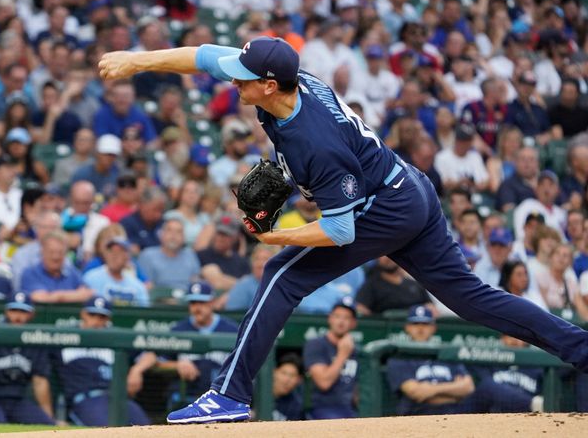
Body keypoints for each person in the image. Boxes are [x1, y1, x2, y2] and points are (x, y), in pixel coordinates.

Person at [97, 35, 588, 424]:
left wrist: (278, 238)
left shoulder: (317, 143)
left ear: (270, 85)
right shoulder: (291, 81)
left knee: (281, 275)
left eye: (245, 79)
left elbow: (339, 230)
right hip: (404, 185)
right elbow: (202, 57)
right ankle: (581, 349)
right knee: (471, 298)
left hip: (386, 206)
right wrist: (136, 62)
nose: (234, 83)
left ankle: (228, 394)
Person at [51, 297, 151, 426]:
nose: (96, 321)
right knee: (106, 431)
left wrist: (136, 370)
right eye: (92, 315)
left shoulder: (115, 337)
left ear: (108, 319)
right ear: (83, 314)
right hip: (86, 399)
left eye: (101, 317)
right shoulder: (64, 336)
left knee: (147, 429)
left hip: (118, 398)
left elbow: (150, 353)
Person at [154, 282, 239, 407]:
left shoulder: (231, 329)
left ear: (212, 303)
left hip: (222, 396)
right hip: (188, 393)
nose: (197, 308)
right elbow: (158, 361)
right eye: (193, 303)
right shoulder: (178, 330)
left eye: (202, 302)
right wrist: (177, 365)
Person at [0, 293, 55, 424]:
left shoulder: (35, 339)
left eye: (23, 311)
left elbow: (40, 381)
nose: (18, 316)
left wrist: (50, 418)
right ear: (6, 311)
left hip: (18, 400)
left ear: (31, 314)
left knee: (47, 427)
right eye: (14, 310)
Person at [386, 306, 476, 415]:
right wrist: (453, 391)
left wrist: (430, 389)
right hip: (419, 415)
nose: (420, 328)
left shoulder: (446, 353)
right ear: (407, 327)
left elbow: (468, 387)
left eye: (425, 324)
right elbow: (416, 392)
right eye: (415, 324)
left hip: (455, 412)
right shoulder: (399, 357)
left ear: (433, 328)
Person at [304, 299, 359, 419]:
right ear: (330, 318)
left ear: (354, 323)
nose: (341, 321)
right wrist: (342, 355)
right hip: (323, 408)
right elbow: (324, 383)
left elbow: (358, 391)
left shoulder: (356, 349)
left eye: (346, 318)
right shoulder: (316, 344)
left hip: (350, 409)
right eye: (337, 316)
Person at [19, 231, 93, 304]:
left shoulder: (72, 272)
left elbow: (88, 294)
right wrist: (72, 296)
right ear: (42, 252)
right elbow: (39, 298)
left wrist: (54, 296)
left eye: (60, 252)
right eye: (51, 252)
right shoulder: (30, 273)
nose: (56, 257)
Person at [82, 237, 149, 306]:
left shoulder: (137, 286)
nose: (113, 256)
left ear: (127, 257)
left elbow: (144, 311)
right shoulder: (91, 278)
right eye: (111, 251)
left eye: (119, 252)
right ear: (105, 254)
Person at [137, 218, 201, 290]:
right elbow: (145, 285)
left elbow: (196, 282)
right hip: (158, 299)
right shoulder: (148, 255)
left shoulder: (190, 255)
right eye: (169, 230)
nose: (173, 235)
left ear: (184, 238)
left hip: (186, 298)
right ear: (161, 234)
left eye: (179, 232)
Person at [355, 257, 432, 315]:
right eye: (383, 255)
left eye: (392, 255)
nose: (388, 258)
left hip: (415, 326)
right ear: (377, 259)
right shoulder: (371, 284)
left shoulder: (414, 284)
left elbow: (431, 307)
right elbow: (360, 308)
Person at [271, 354, 304, 421]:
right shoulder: (253, 393)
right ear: (274, 372)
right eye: (284, 373)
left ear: (299, 380)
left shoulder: (295, 405)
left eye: (292, 375)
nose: (287, 380)